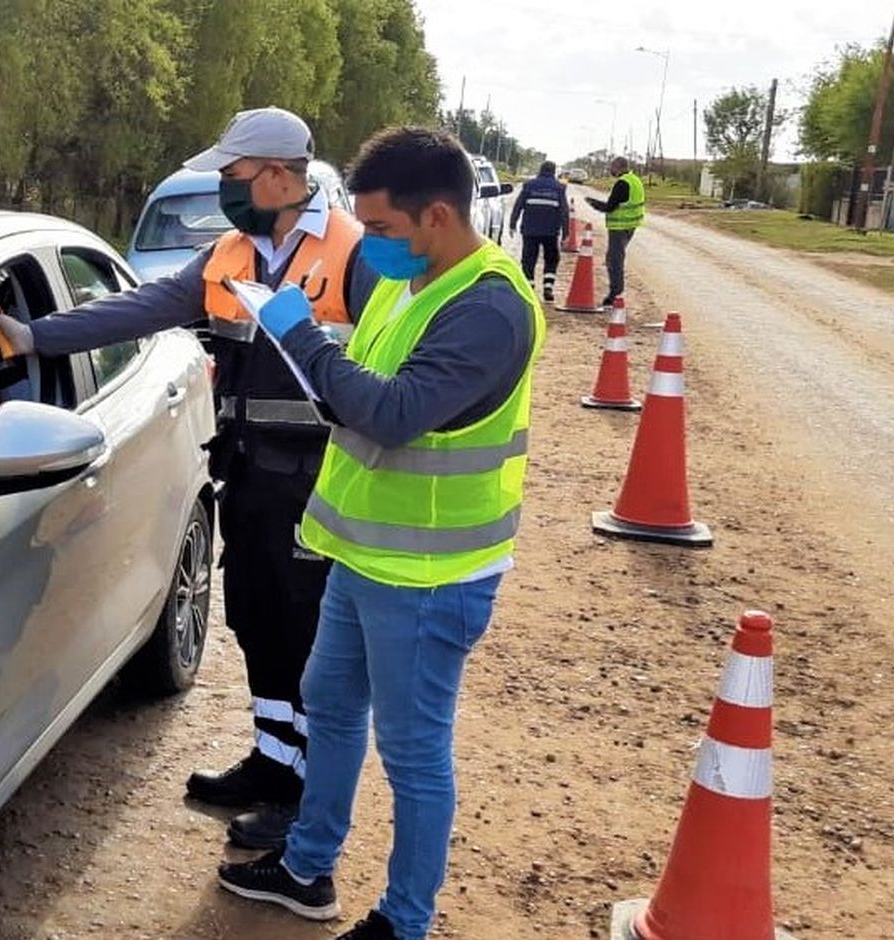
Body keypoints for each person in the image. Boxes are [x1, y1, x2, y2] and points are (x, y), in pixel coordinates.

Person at [0, 107, 378, 850]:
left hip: (323, 486)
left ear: (274, 175)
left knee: (307, 642)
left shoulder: (355, 255)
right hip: (250, 476)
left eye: (231, 177)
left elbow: (382, 378)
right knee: (257, 622)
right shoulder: (229, 254)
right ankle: (271, 764)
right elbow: (137, 308)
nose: (224, 190)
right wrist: (36, 335)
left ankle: (306, 805)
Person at [216, 126, 546, 940]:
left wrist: (298, 337)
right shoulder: (413, 279)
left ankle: (403, 922)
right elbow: (369, 372)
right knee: (329, 707)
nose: (377, 249)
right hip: (362, 555)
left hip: (431, 577)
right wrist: (324, 342)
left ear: (438, 214)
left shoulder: (491, 306)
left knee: (414, 753)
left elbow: (394, 413)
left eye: (387, 232)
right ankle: (306, 867)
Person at [585, 156, 646, 308]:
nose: (610, 170)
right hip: (631, 225)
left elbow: (610, 206)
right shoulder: (635, 180)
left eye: (611, 167)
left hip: (620, 227)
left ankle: (615, 294)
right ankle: (615, 291)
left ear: (618, 167)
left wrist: (594, 204)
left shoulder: (622, 183)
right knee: (615, 258)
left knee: (614, 261)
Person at [508, 159, 570, 303]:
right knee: (551, 259)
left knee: (528, 259)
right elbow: (564, 212)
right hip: (550, 231)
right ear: (554, 172)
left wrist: (512, 223)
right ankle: (548, 288)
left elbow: (518, 206)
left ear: (540, 170)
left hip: (530, 230)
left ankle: (529, 288)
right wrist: (566, 233)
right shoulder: (559, 188)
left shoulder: (529, 185)